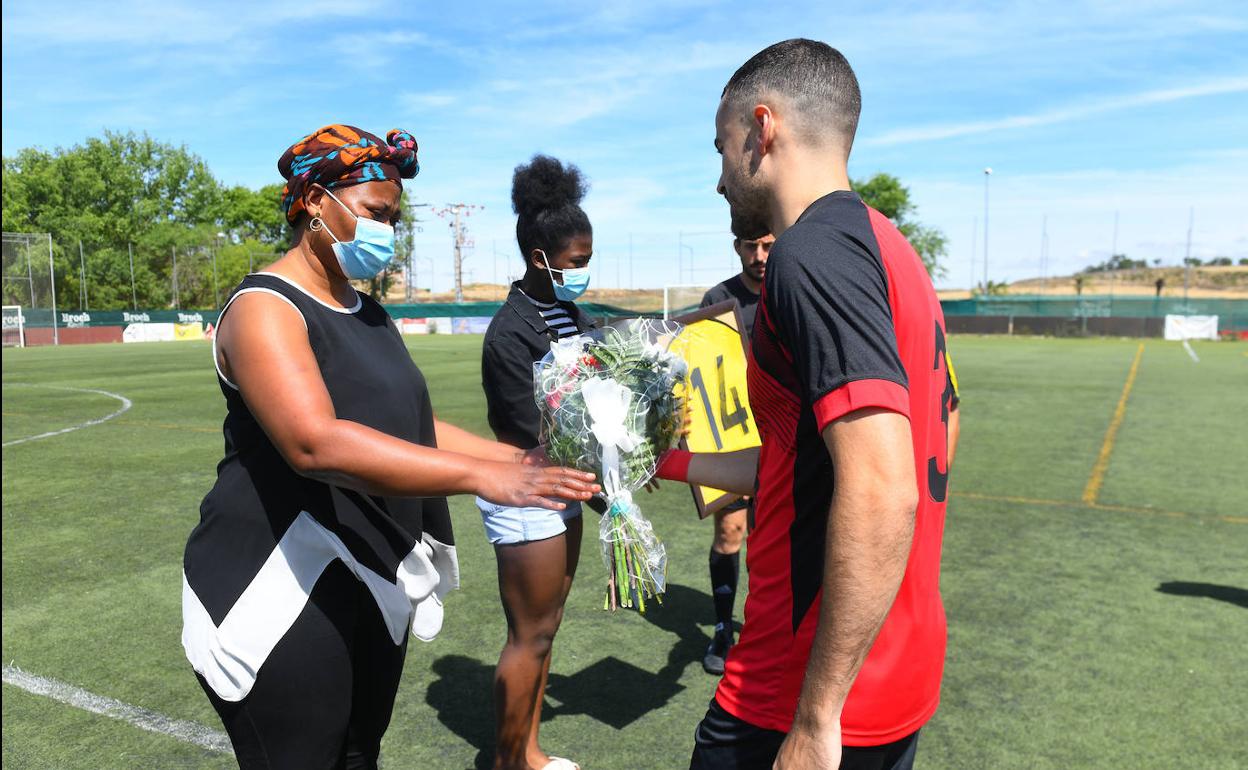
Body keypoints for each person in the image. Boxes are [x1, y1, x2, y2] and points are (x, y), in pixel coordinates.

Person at [181, 125, 598, 770]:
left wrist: (517, 462)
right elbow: (314, 444)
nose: (388, 232)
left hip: (367, 573)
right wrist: (484, 481)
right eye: (376, 214)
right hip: (279, 586)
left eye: (394, 219)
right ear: (317, 202)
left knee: (358, 753)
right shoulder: (264, 307)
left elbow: (414, 426)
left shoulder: (368, 311)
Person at [655, 40, 956, 769]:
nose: (720, 179)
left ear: (763, 129)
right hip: (895, 662)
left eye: (722, 148)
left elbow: (884, 489)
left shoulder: (809, 254)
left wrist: (818, 718)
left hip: (805, 687)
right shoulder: (891, 246)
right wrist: (663, 463)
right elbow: (927, 429)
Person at [477, 155, 597, 770]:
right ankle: (507, 763)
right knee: (530, 634)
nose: (584, 273)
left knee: (546, 630)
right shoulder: (509, 334)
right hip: (526, 487)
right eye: (577, 262)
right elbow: (527, 429)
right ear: (539, 258)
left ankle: (530, 753)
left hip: (563, 486)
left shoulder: (568, 315)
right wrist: (608, 475)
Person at [696, 231, 775, 675]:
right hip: (729, 441)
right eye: (750, 246)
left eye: (767, 245)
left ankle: (765, 631)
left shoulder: (792, 291)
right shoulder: (718, 299)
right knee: (730, 536)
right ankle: (724, 628)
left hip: (782, 438)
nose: (759, 256)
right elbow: (700, 374)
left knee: (772, 539)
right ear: (737, 247)